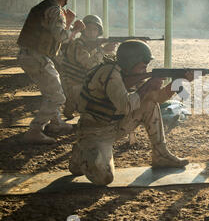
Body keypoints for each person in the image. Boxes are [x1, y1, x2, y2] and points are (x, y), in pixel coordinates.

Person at [69, 40, 193, 186]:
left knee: (149, 104)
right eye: (142, 67)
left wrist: (178, 82)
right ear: (130, 63)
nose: (143, 71)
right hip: (94, 131)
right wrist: (148, 85)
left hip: (115, 126)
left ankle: (161, 154)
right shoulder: (109, 74)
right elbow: (125, 106)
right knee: (104, 178)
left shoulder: (127, 73)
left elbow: (156, 99)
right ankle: (83, 151)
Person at [17, 0, 85, 144]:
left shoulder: (44, 6)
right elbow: (62, 37)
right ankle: (35, 129)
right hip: (37, 57)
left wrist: (67, 23)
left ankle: (56, 124)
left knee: (52, 90)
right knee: (57, 97)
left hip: (32, 55)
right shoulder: (55, 10)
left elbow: (52, 33)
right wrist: (75, 29)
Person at [60, 14, 118, 119]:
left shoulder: (94, 45)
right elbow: (89, 65)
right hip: (73, 85)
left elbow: (104, 62)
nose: (91, 32)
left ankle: (71, 107)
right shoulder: (78, 45)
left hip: (79, 82)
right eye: (89, 29)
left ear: (99, 32)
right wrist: (104, 50)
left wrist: (110, 51)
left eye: (95, 29)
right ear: (83, 30)